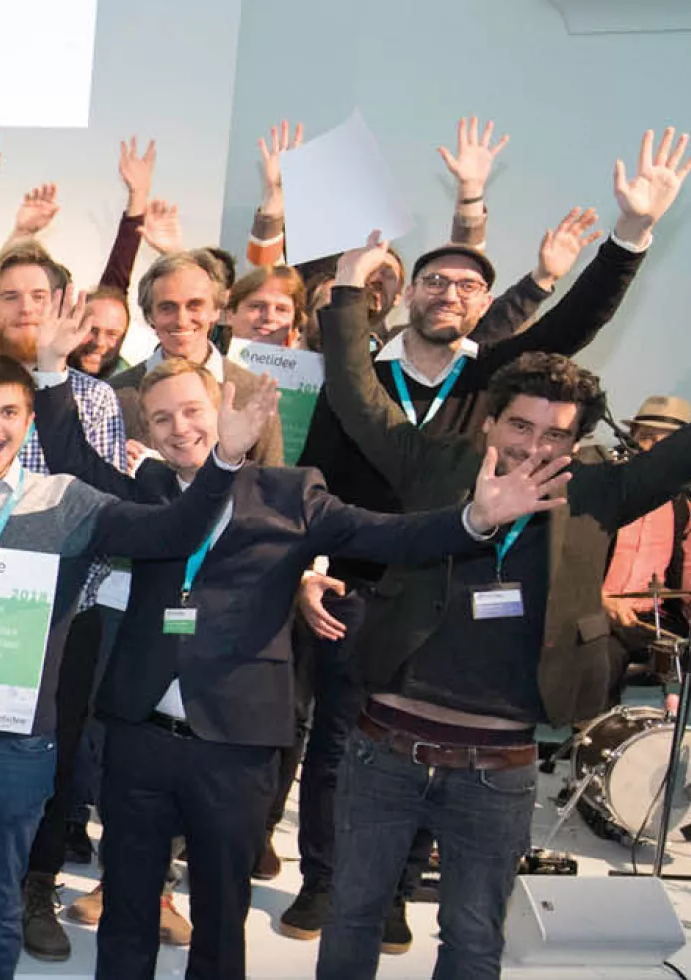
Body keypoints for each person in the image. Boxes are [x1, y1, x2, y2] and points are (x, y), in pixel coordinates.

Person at [27, 340, 566, 978]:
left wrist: (474, 518)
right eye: (162, 417)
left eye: (193, 411)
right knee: (126, 907)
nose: (180, 428)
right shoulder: (146, 490)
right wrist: (50, 370)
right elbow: (72, 460)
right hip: (138, 736)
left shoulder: (291, 492)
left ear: (226, 412)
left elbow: (389, 534)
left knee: (221, 914)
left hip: (236, 742)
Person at [282, 133, 669, 945]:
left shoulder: (537, 428)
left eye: (553, 434)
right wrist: (346, 286)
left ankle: (393, 894)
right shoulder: (416, 435)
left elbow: (575, 325)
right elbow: (344, 404)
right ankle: (326, 883)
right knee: (339, 778)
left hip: (491, 716)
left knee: (470, 927)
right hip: (369, 622)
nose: (533, 444)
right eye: (520, 428)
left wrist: (630, 237)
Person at [0, 347, 257, 980]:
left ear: (29, 423)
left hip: (16, 744)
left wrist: (223, 462)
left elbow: (173, 533)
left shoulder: (67, 502)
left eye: (9, 413)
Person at [112, 251, 287, 463]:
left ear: (216, 310)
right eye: (167, 308)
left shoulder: (252, 392)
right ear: (150, 316)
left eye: (194, 306)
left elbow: (270, 476)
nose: (181, 320)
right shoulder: (115, 395)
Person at [598, 395, 691, 668]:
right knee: (606, 659)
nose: (654, 449)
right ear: (631, 438)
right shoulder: (602, 494)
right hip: (597, 614)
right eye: (647, 436)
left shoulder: (682, 507)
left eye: (667, 443)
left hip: (653, 618)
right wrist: (596, 599)